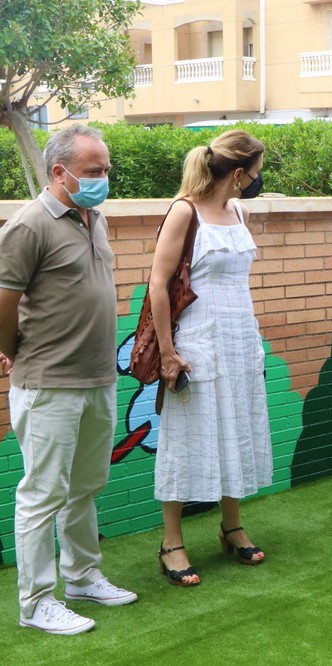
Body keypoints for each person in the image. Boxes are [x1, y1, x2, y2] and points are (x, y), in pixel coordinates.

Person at [0, 125, 137, 635]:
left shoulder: (93, 218)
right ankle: (36, 603)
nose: (104, 179)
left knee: (84, 487)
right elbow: (3, 302)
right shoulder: (29, 225)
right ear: (59, 172)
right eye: (94, 171)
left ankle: (81, 576)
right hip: (49, 383)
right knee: (42, 493)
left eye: (106, 169)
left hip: (98, 377)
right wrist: (14, 352)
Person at [152, 130, 273, 587]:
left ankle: (232, 525)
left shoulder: (238, 209)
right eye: (258, 173)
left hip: (241, 340)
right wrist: (168, 353)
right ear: (239, 174)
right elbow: (157, 285)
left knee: (235, 429)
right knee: (187, 440)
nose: (259, 180)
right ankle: (171, 542)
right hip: (197, 345)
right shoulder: (185, 211)